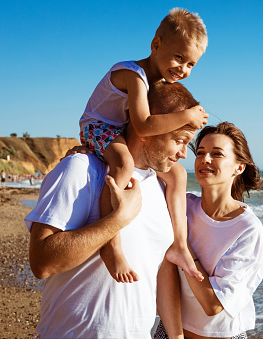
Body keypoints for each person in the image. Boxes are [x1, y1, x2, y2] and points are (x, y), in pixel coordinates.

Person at [25, 82, 200, 338]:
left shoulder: (161, 187)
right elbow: (42, 262)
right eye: (180, 141)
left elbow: (160, 270)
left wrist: (176, 337)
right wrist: (117, 220)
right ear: (147, 130)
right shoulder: (81, 169)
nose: (185, 153)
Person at [79, 7, 208, 284]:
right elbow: (144, 126)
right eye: (179, 57)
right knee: (123, 164)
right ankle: (110, 245)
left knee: (178, 174)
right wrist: (187, 115)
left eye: (191, 64)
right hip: (99, 127)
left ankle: (180, 245)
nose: (183, 70)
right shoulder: (134, 75)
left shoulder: (159, 80)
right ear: (156, 44)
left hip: (120, 130)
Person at [156, 122, 263, 339]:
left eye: (217, 154)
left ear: (239, 167)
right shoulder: (182, 205)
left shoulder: (247, 228)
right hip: (170, 332)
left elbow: (214, 305)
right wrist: (93, 152)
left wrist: (183, 246)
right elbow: (142, 167)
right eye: (200, 153)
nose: (205, 159)